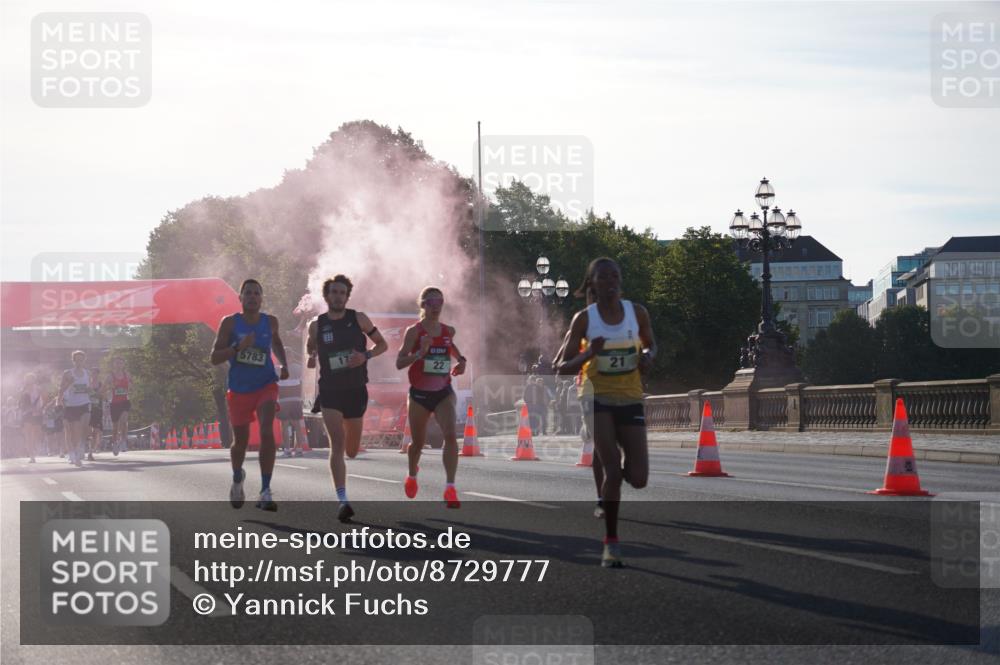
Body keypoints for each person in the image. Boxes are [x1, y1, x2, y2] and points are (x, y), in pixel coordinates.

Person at [554, 258, 657, 568]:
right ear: (592, 284)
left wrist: (648, 357)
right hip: (596, 399)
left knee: (638, 478)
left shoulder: (636, 313)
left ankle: (606, 483)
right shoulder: (584, 320)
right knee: (613, 470)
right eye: (603, 278)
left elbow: (652, 345)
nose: (611, 281)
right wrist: (589, 353)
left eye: (615, 276)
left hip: (630, 397)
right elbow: (561, 368)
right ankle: (611, 544)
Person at [306, 275, 388, 522]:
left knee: (352, 450)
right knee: (337, 444)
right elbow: (311, 347)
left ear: (347, 296)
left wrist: (365, 356)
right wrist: (312, 355)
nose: (338, 296)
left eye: (342, 292)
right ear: (327, 296)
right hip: (330, 391)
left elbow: (383, 345)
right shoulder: (317, 325)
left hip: (355, 390)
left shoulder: (358, 319)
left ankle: (344, 491)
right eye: (334, 292)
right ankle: (342, 500)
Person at [211, 279, 289, 511]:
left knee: (266, 431)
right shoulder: (229, 323)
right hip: (239, 388)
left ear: (261, 298)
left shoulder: (270, 322)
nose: (253, 297)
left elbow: (276, 343)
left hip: (266, 384)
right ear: (240, 297)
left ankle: (265, 491)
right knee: (240, 443)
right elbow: (214, 358)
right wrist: (238, 348)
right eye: (248, 293)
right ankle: (237, 477)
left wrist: (284, 364)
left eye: (257, 293)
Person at [396, 286, 467, 508]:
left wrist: (461, 361)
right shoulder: (414, 332)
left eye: (440, 302)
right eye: (431, 302)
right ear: (423, 305)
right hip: (419, 393)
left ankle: (450, 487)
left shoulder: (449, 331)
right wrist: (419, 354)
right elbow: (399, 362)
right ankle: (412, 475)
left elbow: (452, 348)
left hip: (443, 391)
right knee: (417, 443)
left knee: (451, 435)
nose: (436, 306)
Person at [58, 350, 92, 467]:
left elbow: (90, 388)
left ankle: (79, 449)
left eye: (81, 359)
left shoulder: (87, 373)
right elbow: (61, 388)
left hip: (84, 403)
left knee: (84, 427)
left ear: (84, 360)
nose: (79, 361)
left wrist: (89, 390)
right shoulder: (68, 373)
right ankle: (72, 453)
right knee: (71, 432)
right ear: (73, 361)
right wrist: (58, 401)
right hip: (71, 405)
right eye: (76, 359)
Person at [108, 356, 131, 455]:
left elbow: (132, 385)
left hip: (125, 401)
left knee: (124, 421)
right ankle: (115, 443)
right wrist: (110, 387)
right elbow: (104, 389)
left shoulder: (127, 375)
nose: (119, 365)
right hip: (114, 403)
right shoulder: (110, 376)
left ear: (123, 365)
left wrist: (131, 387)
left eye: (120, 363)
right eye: (117, 363)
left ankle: (123, 441)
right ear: (114, 364)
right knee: (115, 427)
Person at [19, 373, 44, 463]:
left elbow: (41, 400)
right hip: (27, 414)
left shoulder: (38, 389)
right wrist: (27, 408)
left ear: (34, 380)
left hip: (37, 413)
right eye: (28, 379)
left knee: (37, 433)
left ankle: (34, 448)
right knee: (28, 435)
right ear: (26, 380)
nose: (30, 380)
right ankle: (31, 456)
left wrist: (40, 409)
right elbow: (21, 402)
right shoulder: (23, 389)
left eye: (32, 378)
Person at [86, 367, 104, 461]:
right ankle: (80, 448)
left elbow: (102, 395)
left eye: (96, 373)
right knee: (86, 431)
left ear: (98, 374)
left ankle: (90, 452)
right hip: (86, 409)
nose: (94, 375)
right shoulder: (87, 384)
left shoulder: (101, 384)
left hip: (97, 409)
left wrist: (96, 393)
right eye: (92, 373)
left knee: (95, 431)